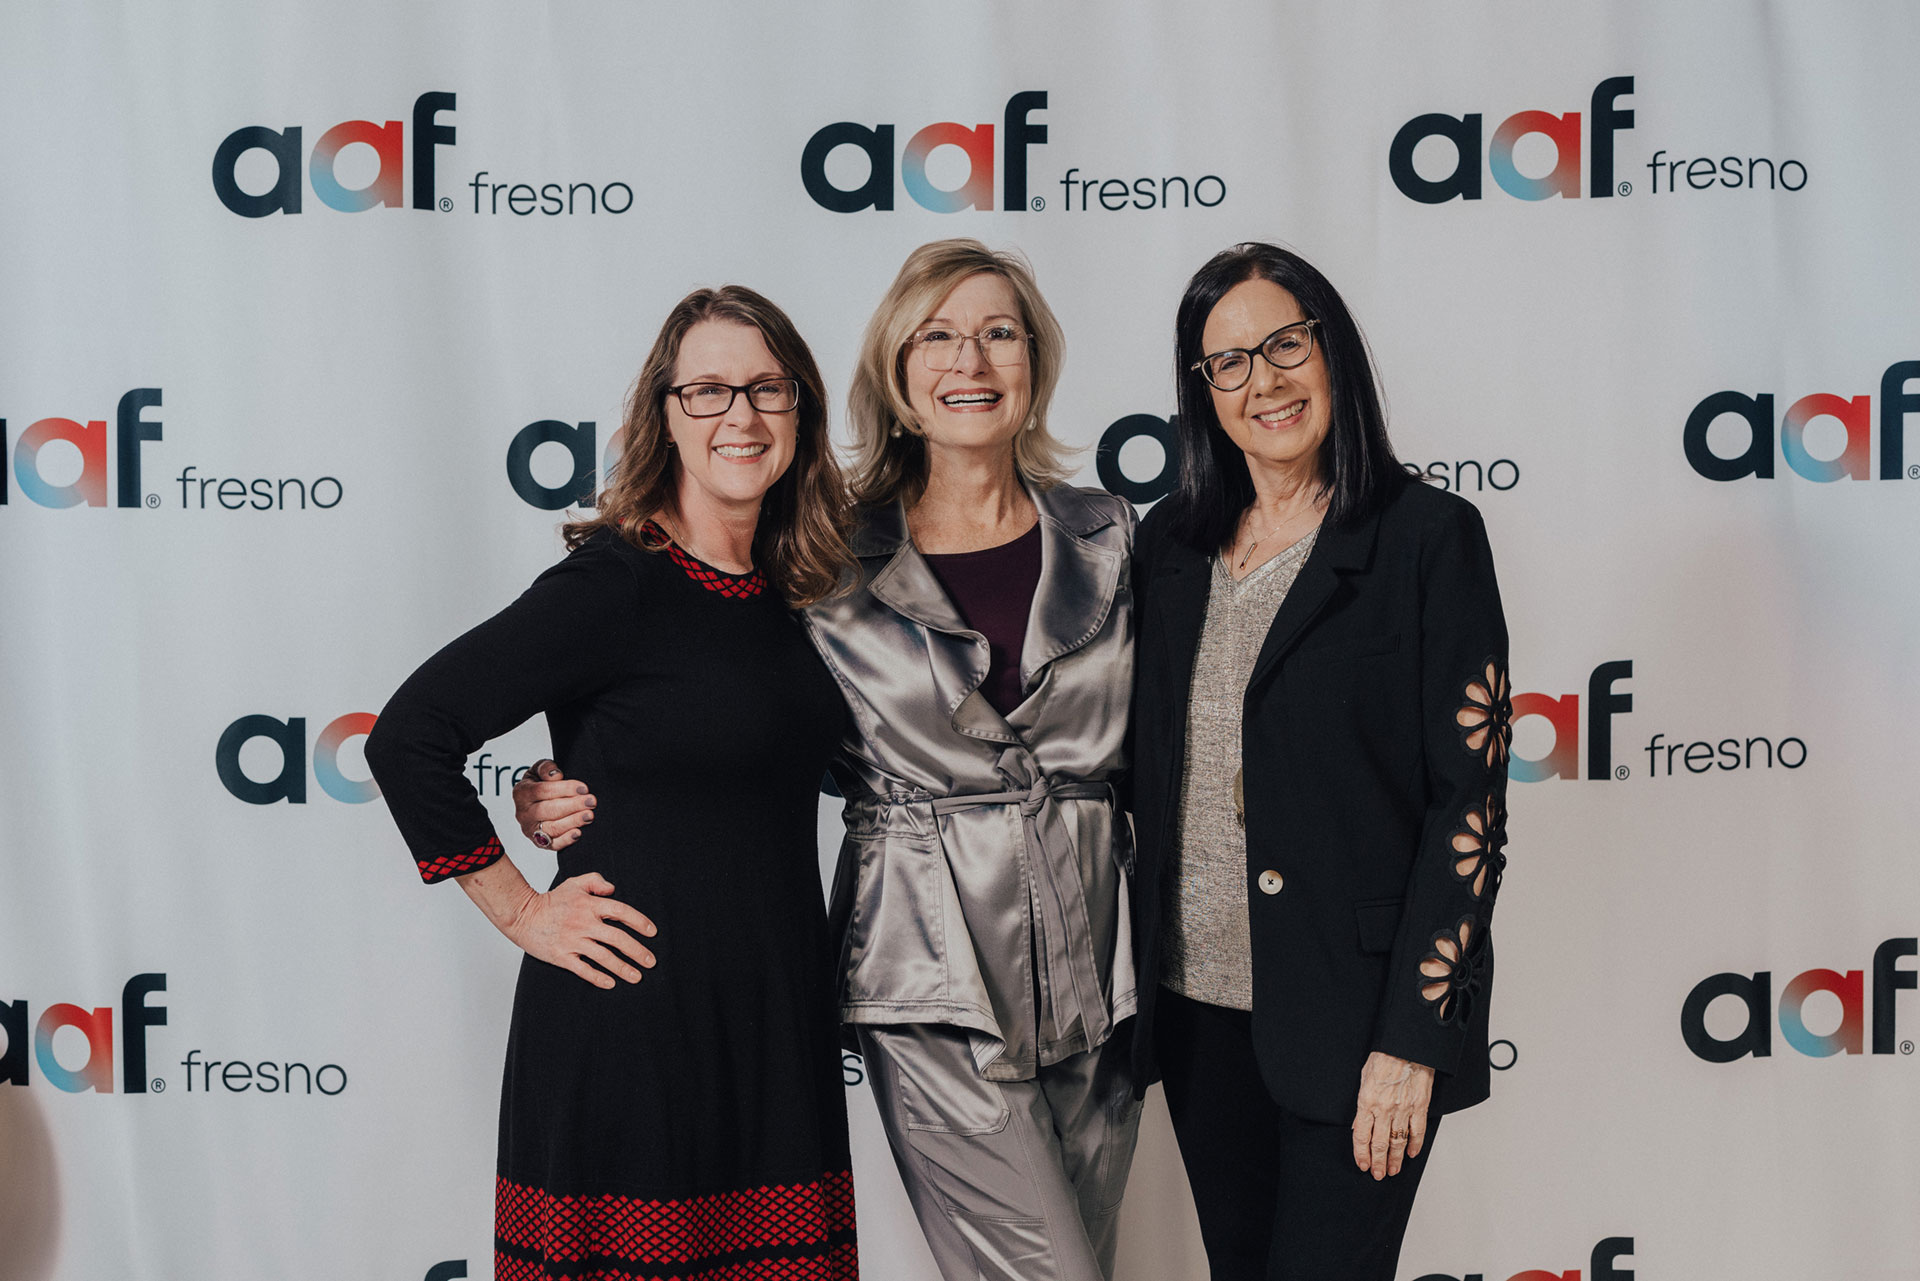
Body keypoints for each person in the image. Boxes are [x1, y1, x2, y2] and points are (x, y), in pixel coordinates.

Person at [518, 239, 1141, 1281]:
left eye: (998, 333)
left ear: (1035, 363)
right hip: (928, 965)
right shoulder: (821, 556)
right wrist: (583, 782)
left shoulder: (1115, 535)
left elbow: (1177, 733)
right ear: (895, 374)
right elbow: (706, 688)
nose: (970, 361)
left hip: (1098, 962)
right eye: (936, 336)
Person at [365, 286, 860, 1281]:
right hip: (633, 1030)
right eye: (709, 390)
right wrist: (521, 911)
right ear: (664, 416)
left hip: (772, 1034)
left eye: (768, 390)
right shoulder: (615, 584)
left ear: (801, 414)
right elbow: (409, 735)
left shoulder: (803, 592)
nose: (741, 416)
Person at [1128, 242, 1511, 1281]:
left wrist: (1416, 1040)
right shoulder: (1167, 546)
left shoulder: (1428, 539)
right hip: (1199, 1023)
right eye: (1230, 362)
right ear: (1202, 392)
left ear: (1331, 349)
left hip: (1357, 1030)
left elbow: (1467, 811)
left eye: (1286, 344)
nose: (1266, 381)